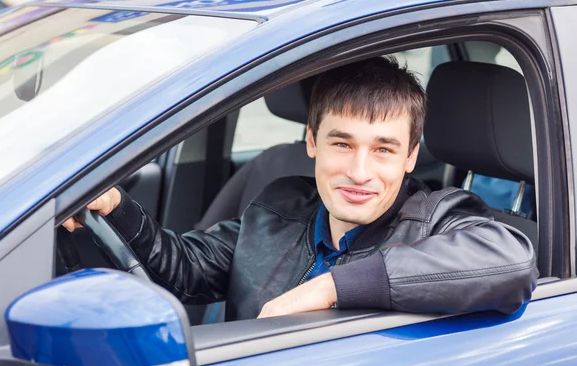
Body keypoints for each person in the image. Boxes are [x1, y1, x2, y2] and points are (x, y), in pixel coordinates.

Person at [63, 57, 538, 321]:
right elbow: (184, 270)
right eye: (341, 143)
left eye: (384, 150)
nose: (359, 171)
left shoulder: (436, 217)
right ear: (311, 141)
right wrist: (117, 206)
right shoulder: (278, 208)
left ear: (411, 156)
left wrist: (330, 287)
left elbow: (511, 261)